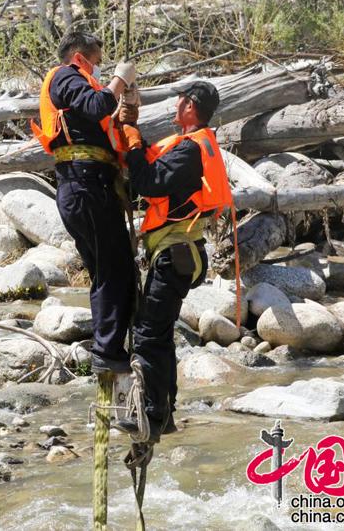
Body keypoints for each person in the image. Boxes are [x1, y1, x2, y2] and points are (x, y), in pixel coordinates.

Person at [117, 80, 233, 442]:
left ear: (190, 108)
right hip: (179, 252)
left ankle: (151, 413)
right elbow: (154, 165)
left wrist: (134, 143)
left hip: (175, 253)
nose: (174, 106)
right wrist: (130, 137)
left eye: (179, 101)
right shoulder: (192, 146)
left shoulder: (190, 151)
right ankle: (163, 413)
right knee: (160, 335)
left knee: (149, 335)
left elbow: (149, 183)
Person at [31, 31, 139, 373]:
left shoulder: (81, 86)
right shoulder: (65, 76)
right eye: (96, 60)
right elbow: (96, 106)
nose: (98, 68)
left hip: (93, 186)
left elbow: (110, 126)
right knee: (110, 269)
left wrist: (129, 105)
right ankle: (107, 353)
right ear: (80, 55)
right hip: (83, 186)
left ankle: (117, 344)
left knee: (119, 266)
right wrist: (119, 81)